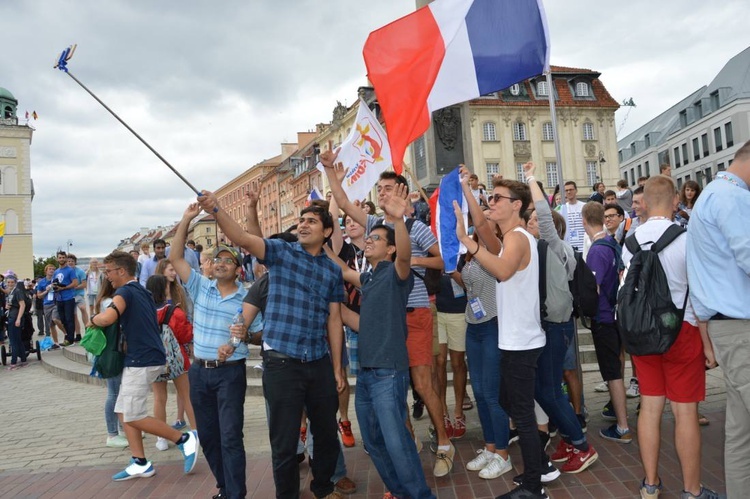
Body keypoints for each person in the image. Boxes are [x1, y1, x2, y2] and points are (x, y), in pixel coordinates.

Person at [197, 190, 346, 499]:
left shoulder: (333, 270)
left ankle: (323, 488)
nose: (303, 225)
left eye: (312, 221)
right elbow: (243, 237)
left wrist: (336, 369)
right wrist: (216, 209)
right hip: (281, 364)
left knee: (328, 437)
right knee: (284, 443)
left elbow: (334, 319)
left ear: (327, 231)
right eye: (301, 220)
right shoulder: (282, 252)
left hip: (318, 361)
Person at [322, 150, 454, 478]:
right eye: (378, 189)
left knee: (422, 383)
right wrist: (332, 175)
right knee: (393, 386)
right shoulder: (376, 226)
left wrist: (408, 263)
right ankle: (407, 443)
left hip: (416, 310)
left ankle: (444, 443)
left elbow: (443, 262)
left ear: (402, 191)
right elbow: (345, 203)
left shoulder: (416, 228)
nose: (381, 193)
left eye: (387, 188)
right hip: (388, 317)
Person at [623, 175, 720, 499]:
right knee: (685, 412)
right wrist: (707, 343)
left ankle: (650, 483)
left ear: (645, 203)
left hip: (643, 335)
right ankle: (692, 490)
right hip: (683, 330)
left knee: (650, 408)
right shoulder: (687, 238)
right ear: (676, 201)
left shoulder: (630, 241)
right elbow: (700, 295)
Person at [453, 178, 547, 499]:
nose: (491, 202)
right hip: (512, 341)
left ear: (516, 205)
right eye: (489, 198)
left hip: (522, 342)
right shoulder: (509, 237)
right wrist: (465, 192)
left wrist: (469, 242)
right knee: (508, 402)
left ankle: (534, 484)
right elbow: (481, 223)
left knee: (519, 412)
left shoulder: (519, 237)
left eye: (496, 198)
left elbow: (503, 271)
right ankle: (539, 463)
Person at [89, 250, 199, 481]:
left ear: (121, 270)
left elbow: (108, 318)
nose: (106, 276)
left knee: (132, 415)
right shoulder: (142, 291)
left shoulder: (125, 291)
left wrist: (92, 320)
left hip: (141, 360)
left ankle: (183, 439)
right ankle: (139, 462)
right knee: (123, 411)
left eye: (108, 271)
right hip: (149, 357)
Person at [171, 205, 249, 499]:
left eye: (227, 260)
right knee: (209, 437)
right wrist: (186, 219)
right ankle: (225, 488)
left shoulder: (247, 296)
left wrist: (244, 337)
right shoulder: (200, 287)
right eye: (217, 259)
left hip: (230, 373)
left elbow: (258, 334)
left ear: (237, 269)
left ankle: (236, 494)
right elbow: (176, 257)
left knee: (230, 437)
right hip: (200, 372)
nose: (220, 263)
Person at [524, 162, 597, 476]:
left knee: (550, 391)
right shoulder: (537, 250)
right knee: (545, 389)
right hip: (548, 326)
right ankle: (569, 437)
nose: (529, 225)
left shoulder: (557, 247)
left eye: (532, 221)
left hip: (557, 327)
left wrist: (530, 179)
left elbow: (543, 215)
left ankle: (582, 445)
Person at [687, 139, 750, 498]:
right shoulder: (734, 198)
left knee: (740, 435)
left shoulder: (711, 195)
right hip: (741, 327)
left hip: (727, 327)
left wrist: (706, 335)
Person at [455, 168, 512, 480]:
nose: (484, 218)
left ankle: (503, 453)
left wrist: (466, 189)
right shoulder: (473, 255)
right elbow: (468, 286)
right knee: (478, 391)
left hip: (492, 326)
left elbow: (478, 224)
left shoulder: (495, 248)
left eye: (489, 215)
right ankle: (490, 446)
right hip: (473, 327)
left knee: (492, 393)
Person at [580, 202, 631, 444]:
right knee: (615, 369)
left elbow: (593, 289)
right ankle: (620, 418)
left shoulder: (596, 250)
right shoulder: (611, 243)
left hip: (603, 317)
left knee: (612, 373)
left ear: (583, 220)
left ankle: (622, 426)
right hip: (615, 313)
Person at [145, 274, 197, 453]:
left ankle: (161, 438)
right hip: (177, 360)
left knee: (159, 398)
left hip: (154, 359)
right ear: (164, 289)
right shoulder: (174, 311)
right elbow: (185, 335)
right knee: (186, 395)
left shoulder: (144, 312)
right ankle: (196, 433)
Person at [94, 278, 128, 448]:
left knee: (118, 392)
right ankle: (112, 433)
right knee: (114, 393)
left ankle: (122, 429)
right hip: (111, 352)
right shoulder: (109, 302)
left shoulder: (104, 301)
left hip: (113, 350)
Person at [53, 250, 78, 346]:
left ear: (66, 259)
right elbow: (54, 283)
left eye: (63, 257)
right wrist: (55, 287)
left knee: (69, 319)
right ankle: (67, 337)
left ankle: (70, 340)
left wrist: (64, 287)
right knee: (62, 319)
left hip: (69, 298)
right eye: (60, 257)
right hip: (59, 299)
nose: (61, 259)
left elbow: (75, 283)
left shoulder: (70, 270)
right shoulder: (56, 272)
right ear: (57, 259)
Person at [35, 265, 62, 348]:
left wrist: (56, 287)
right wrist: (46, 290)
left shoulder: (57, 280)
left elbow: (62, 288)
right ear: (46, 271)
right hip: (47, 304)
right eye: (50, 269)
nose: (52, 271)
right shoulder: (41, 282)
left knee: (55, 319)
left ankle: (66, 334)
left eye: (53, 269)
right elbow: (39, 295)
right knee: (51, 325)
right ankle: (56, 343)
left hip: (56, 302)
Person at [4, 275, 28, 369]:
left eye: (12, 282)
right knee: (17, 340)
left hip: (15, 318)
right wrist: (7, 306)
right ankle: (23, 359)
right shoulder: (11, 292)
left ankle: (14, 362)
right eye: (8, 282)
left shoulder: (17, 291)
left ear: (15, 283)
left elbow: (22, 305)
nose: (10, 284)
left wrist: (18, 319)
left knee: (13, 341)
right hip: (11, 316)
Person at [557, 181, 586, 252]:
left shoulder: (584, 206)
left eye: (571, 189)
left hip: (583, 245)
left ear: (576, 190)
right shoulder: (562, 208)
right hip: (569, 246)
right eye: (566, 190)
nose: (569, 192)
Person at [68, 254, 88, 342]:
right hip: (70, 296)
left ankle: (87, 330)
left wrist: (75, 287)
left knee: (83, 308)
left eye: (72, 261)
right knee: (74, 315)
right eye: (69, 261)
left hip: (79, 294)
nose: (70, 263)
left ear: (75, 262)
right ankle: (78, 334)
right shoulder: (66, 272)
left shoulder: (80, 271)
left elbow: (84, 284)